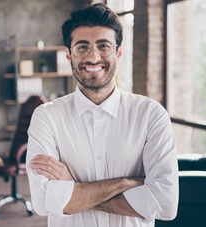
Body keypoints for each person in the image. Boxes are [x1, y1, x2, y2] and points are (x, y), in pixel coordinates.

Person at [26, 3, 179, 227]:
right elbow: (43, 201)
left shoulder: (151, 115)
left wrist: (74, 190)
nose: (93, 57)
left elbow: (165, 203)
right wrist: (128, 183)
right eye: (82, 47)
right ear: (69, 55)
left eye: (103, 46)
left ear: (118, 52)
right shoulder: (46, 117)